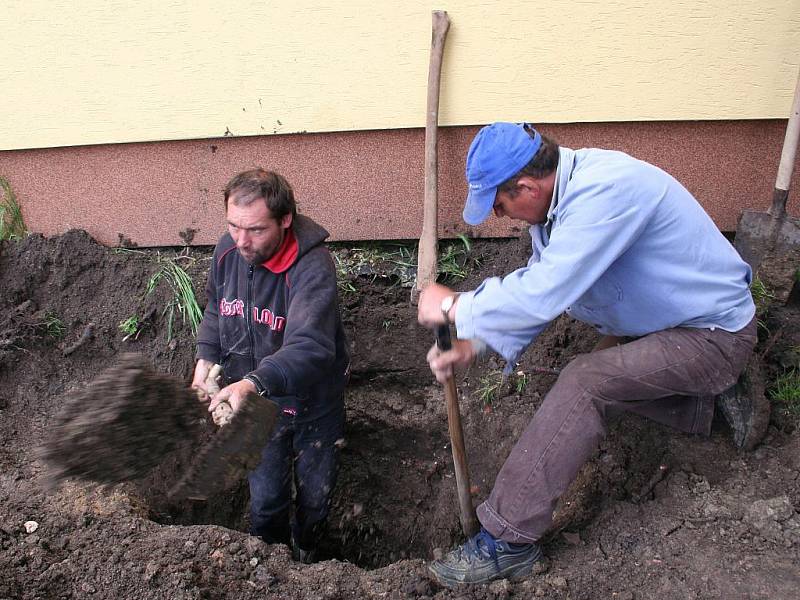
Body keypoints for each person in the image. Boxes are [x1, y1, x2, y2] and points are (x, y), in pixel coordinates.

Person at [417, 122, 765, 586]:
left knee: (585, 382)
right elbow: (550, 287)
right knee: (594, 379)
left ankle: (508, 542)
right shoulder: (561, 202)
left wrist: (452, 304)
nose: (499, 216)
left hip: (712, 334)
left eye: (499, 204)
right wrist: (473, 342)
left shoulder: (606, 192)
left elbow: (544, 291)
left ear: (526, 186)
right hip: (665, 324)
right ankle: (702, 403)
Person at [192, 168, 349, 563]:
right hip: (257, 407)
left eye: (256, 230)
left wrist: (250, 384)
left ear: (285, 220)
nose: (241, 241)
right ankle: (270, 566)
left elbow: (310, 346)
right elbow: (216, 305)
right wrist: (206, 357)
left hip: (313, 405)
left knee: (314, 499)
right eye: (233, 226)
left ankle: (310, 558)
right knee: (265, 503)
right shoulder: (228, 251)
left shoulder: (311, 267)